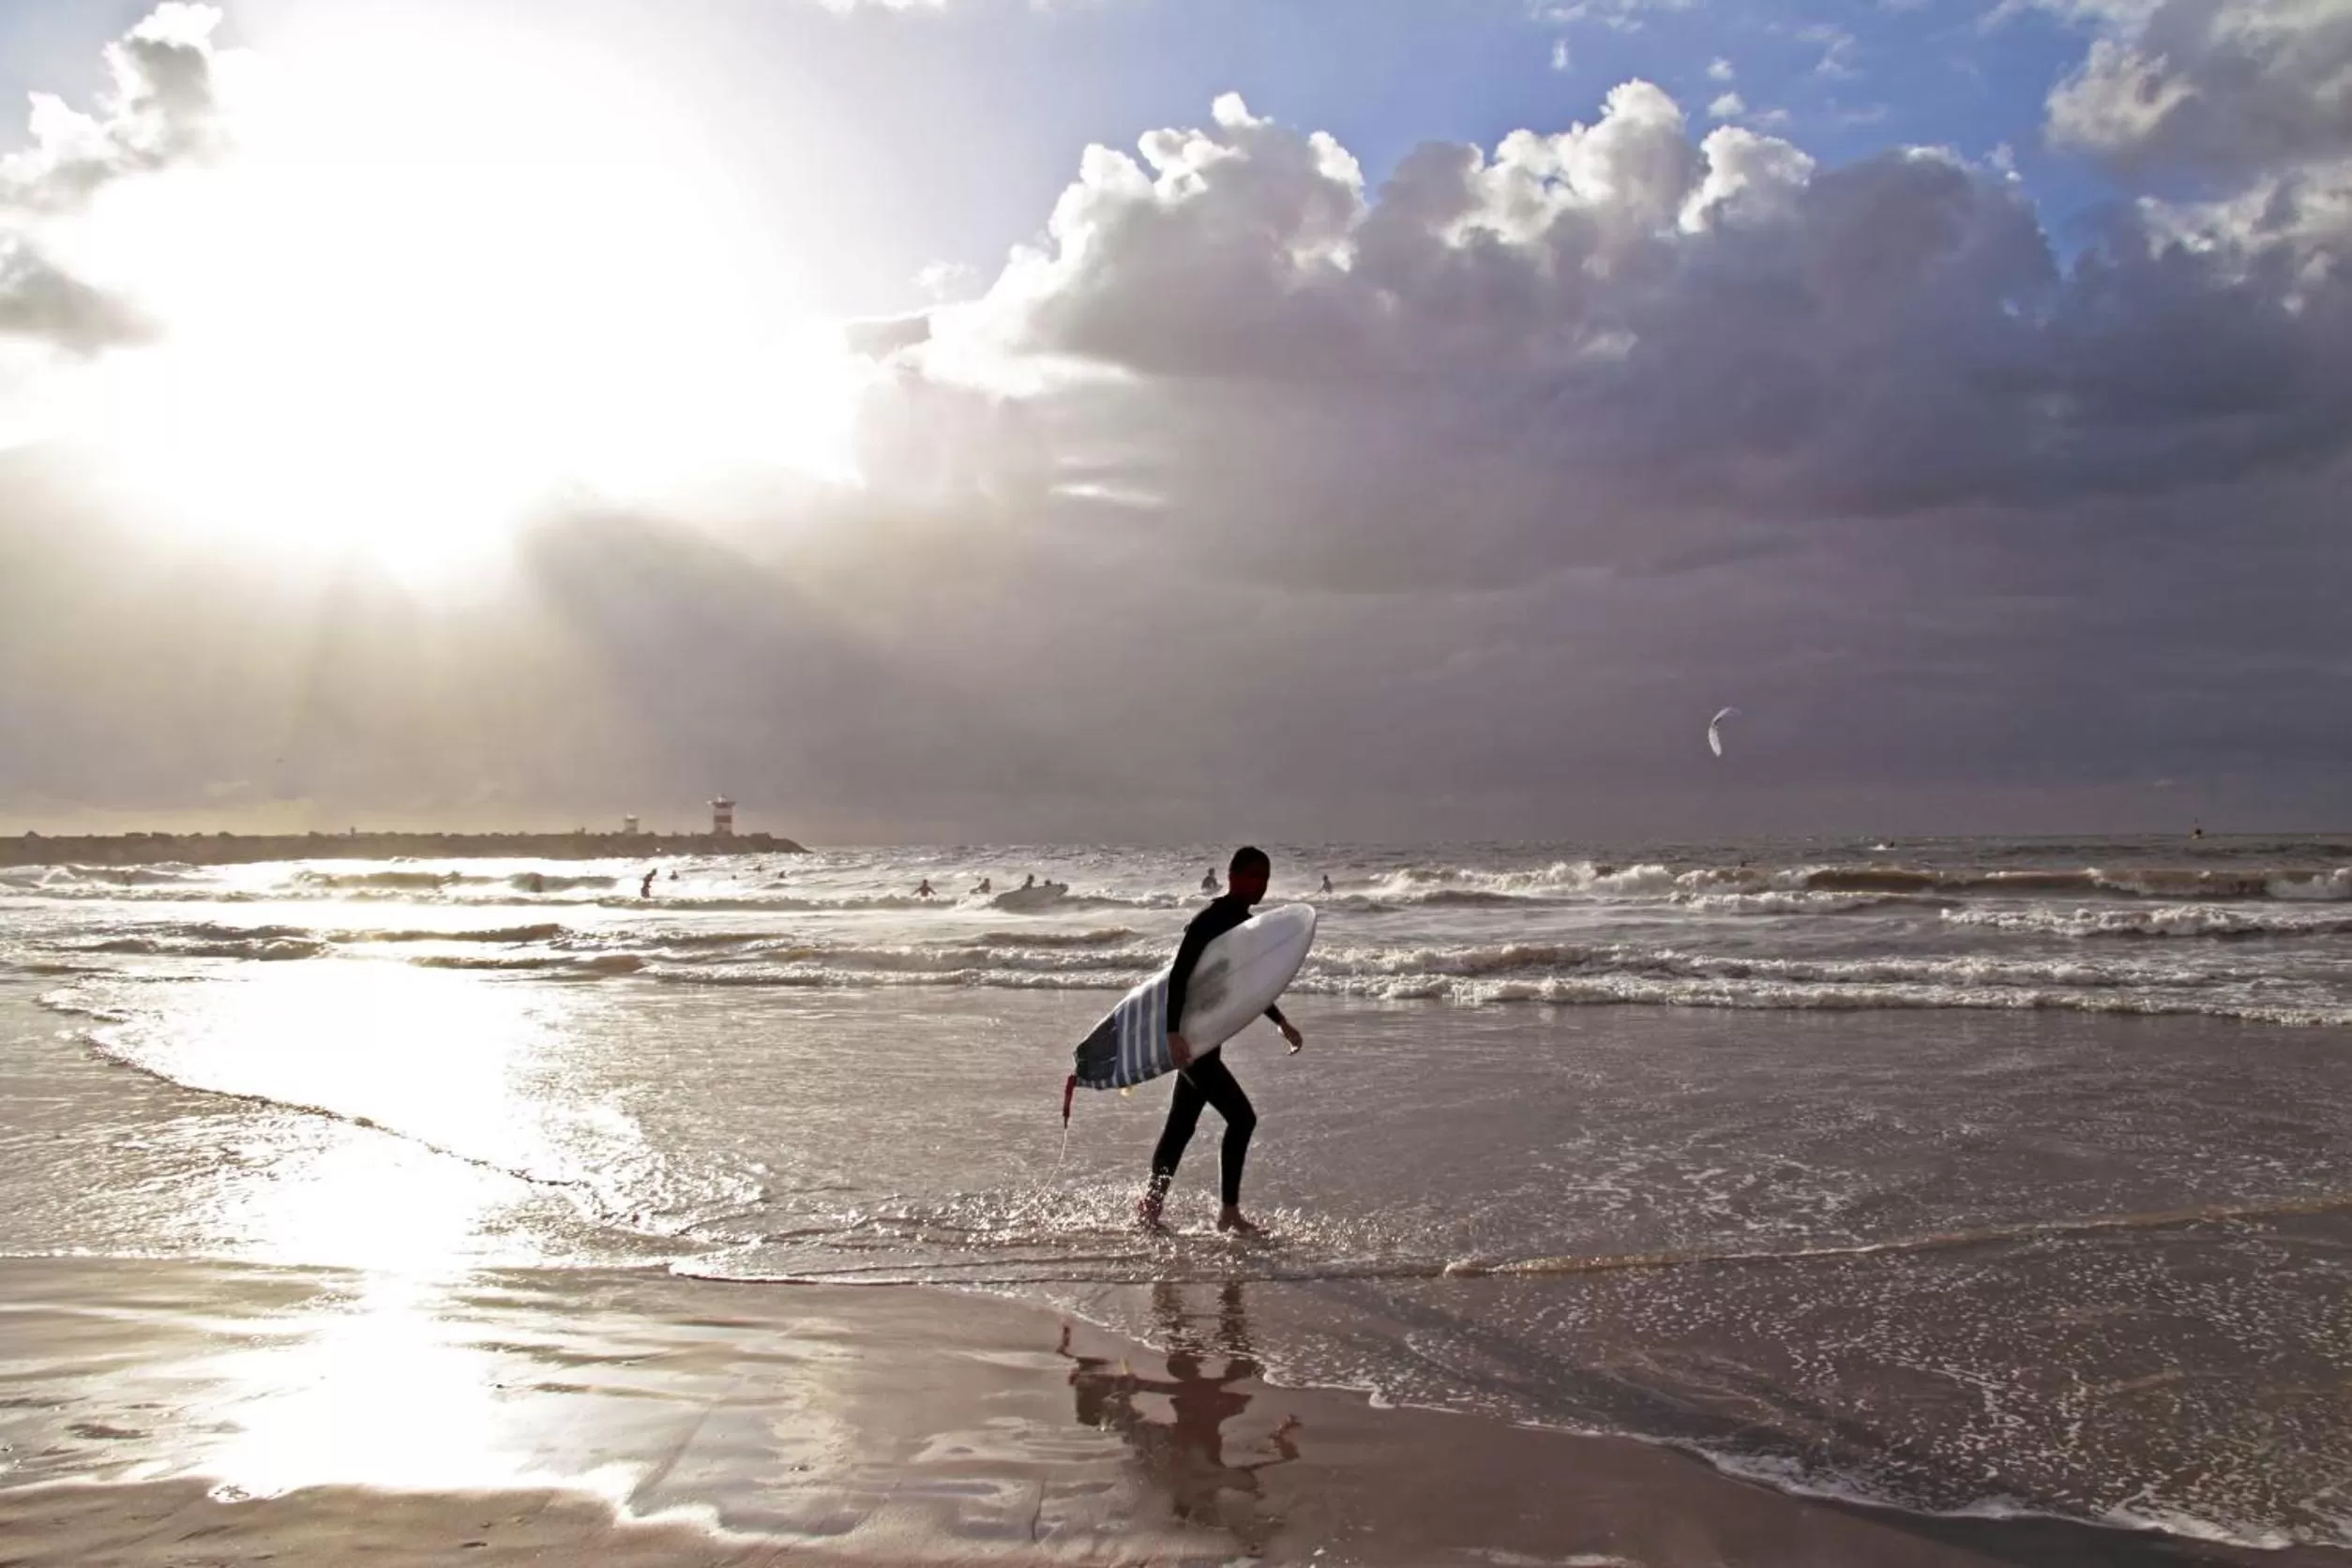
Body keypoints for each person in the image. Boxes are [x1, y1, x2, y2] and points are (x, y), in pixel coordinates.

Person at [1140, 846, 1304, 1235]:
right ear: (1232, 876)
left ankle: (1150, 1208)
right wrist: (1173, 1033)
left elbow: (1246, 986)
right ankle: (1228, 1214)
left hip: (1203, 1038)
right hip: (1190, 1040)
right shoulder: (1210, 921)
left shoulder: (1243, 926)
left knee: (1181, 1126)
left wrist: (1280, 1021)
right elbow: (1178, 977)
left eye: (1265, 878)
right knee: (1243, 1118)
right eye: (1253, 876)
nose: (1260, 885)